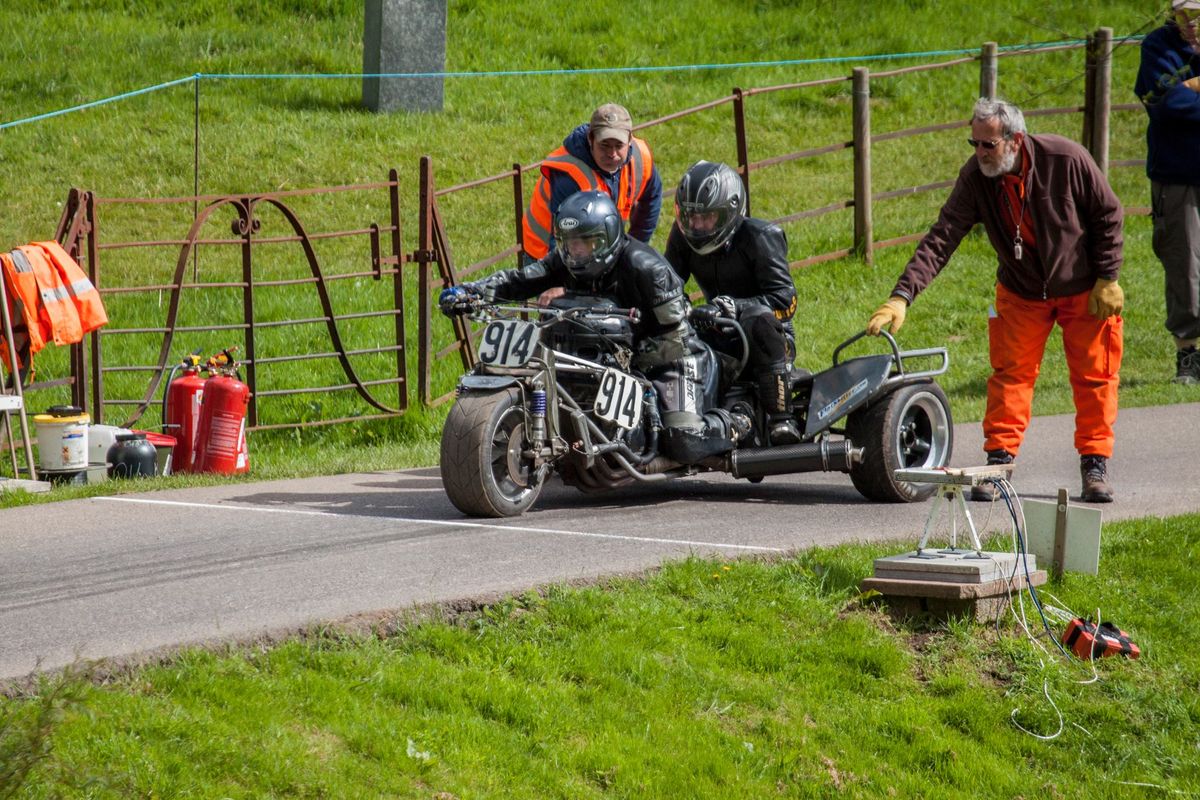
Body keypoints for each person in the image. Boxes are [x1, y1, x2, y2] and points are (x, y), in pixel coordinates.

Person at [864, 98, 1125, 504]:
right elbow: (943, 235)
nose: (980, 153)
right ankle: (998, 463)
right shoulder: (977, 176)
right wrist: (901, 297)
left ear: (1016, 139)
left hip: (1082, 288)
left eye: (988, 145)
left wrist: (1108, 277)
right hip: (1022, 291)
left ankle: (1095, 465)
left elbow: (1109, 213)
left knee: (1095, 378)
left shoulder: (1065, 158)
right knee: (1010, 376)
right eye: (974, 143)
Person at [443, 190, 749, 464]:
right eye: (570, 243)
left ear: (607, 236)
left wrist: (634, 363)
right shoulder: (567, 259)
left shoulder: (648, 269)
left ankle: (737, 421)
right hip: (605, 359)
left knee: (683, 441)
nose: (577, 252)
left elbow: (678, 335)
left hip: (667, 359)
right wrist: (473, 292)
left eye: (586, 243)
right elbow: (522, 280)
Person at [664, 160, 801, 445]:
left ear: (729, 211)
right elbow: (667, 285)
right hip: (714, 329)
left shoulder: (762, 237)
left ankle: (781, 419)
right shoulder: (682, 237)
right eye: (691, 217)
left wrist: (733, 307)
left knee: (760, 318)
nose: (697, 225)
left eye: (707, 217)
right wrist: (683, 307)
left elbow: (786, 301)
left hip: (767, 338)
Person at [1135, 0, 1200, 385]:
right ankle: (1188, 356)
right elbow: (1167, 105)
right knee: (1184, 268)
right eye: (1182, 15)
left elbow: (1183, 100)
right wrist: (1186, 88)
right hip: (1177, 176)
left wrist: (1190, 86)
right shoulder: (1158, 47)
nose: (1190, 24)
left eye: (1198, 15)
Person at [521, 103, 662, 263]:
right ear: (590, 139)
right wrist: (557, 283)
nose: (612, 154)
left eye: (618, 146)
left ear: (629, 140)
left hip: (597, 248)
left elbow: (652, 197)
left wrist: (635, 250)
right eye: (605, 145)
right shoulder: (570, 176)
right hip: (546, 254)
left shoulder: (640, 159)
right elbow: (560, 240)